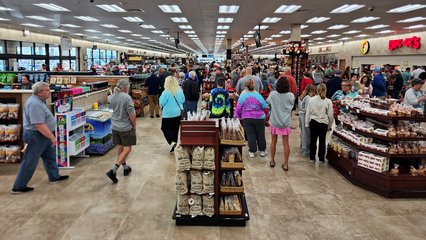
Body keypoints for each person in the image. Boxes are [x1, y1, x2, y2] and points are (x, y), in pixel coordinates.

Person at [12, 82, 69, 193]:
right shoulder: (35, 104)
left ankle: (54, 176)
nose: (49, 91)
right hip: (36, 136)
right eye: (47, 90)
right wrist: (52, 137)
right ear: (40, 92)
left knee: (50, 157)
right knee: (30, 161)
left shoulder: (40, 101)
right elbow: (39, 124)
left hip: (44, 135)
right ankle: (19, 186)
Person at [106, 79, 136, 183]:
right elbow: (131, 114)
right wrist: (134, 125)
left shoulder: (111, 97)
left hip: (115, 126)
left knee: (120, 147)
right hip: (125, 127)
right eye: (127, 87)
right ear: (124, 88)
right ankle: (113, 169)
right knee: (127, 149)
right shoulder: (127, 98)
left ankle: (125, 167)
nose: (127, 89)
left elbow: (110, 108)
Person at [266, 76, 295, 170]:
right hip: (286, 121)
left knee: (273, 141)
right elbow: (292, 106)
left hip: (274, 120)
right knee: (286, 143)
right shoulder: (291, 95)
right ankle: (286, 164)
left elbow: (267, 105)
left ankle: (272, 161)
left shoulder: (273, 94)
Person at [234, 78, 267, 158]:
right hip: (259, 117)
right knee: (261, 134)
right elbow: (264, 106)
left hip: (247, 117)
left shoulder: (243, 96)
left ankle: (252, 151)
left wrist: (236, 117)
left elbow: (238, 107)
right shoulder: (258, 95)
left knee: (250, 134)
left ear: (246, 87)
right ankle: (262, 150)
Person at [305, 83, 334, 163]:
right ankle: (321, 158)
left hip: (313, 122)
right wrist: (330, 124)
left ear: (317, 90)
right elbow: (330, 115)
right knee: (322, 141)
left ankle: (312, 157)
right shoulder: (328, 101)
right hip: (323, 123)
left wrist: (306, 123)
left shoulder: (311, 100)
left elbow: (308, 112)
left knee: (313, 140)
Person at [159, 76, 185, 152]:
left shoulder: (166, 92)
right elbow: (183, 100)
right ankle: (174, 145)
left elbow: (161, 103)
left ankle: (172, 142)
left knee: (165, 128)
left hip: (168, 114)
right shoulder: (179, 90)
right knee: (175, 129)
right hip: (178, 113)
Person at [299, 84, 315, 158]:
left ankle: (302, 146)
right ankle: (306, 149)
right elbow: (308, 109)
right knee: (307, 133)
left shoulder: (303, 96)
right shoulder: (308, 98)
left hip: (301, 115)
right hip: (305, 116)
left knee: (303, 132)